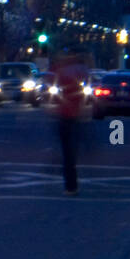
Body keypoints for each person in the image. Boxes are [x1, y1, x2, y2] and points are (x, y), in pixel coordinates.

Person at [54, 49, 86, 195]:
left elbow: (57, 94)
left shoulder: (62, 72)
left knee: (67, 152)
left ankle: (70, 185)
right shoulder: (81, 70)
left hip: (65, 116)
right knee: (72, 150)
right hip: (75, 115)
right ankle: (72, 184)